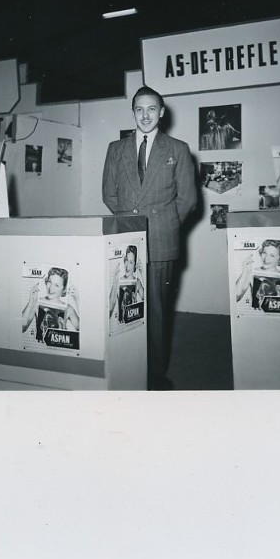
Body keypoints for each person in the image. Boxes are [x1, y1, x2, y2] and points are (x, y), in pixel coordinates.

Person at [102, 85, 197, 389]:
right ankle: (128, 368)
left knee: (156, 312)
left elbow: (188, 200)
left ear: (162, 112)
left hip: (161, 242)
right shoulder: (116, 149)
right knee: (123, 306)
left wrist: (164, 224)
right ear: (133, 112)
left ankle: (154, 375)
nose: (145, 115)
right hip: (124, 241)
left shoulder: (178, 149)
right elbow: (109, 193)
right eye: (140, 109)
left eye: (152, 109)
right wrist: (132, 223)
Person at [21, 266, 79, 341]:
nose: (51, 288)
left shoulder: (68, 308)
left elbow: (84, 332)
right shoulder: (37, 303)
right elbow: (21, 328)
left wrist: (77, 300)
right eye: (49, 281)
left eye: (57, 285)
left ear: (64, 289)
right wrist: (31, 301)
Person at [235, 239, 280, 303]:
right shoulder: (251, 273)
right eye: (264, 253)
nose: (266, 258)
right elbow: (236, 298)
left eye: (272, 255)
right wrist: (244, 271)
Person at [109, 244, 145, 319]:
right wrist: (115, 282)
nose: (127, 265)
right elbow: (109, 309)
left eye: (131, 262)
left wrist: (143, 274)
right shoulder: (119, 281)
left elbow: (147, 300)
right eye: (126, 260)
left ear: (135, 265)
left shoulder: (137, 282)